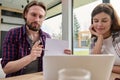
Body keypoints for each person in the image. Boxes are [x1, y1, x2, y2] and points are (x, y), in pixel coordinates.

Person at [1, 1, 70, 77]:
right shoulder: (13, 34)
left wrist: (63, 58)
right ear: (25, 14)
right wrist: (30, 57)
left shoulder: (47, 37)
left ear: (43, 19)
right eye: (33, 15)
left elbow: (51, 65)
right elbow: (6, 69)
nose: (37, 20)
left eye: (40, 16)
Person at [89, 3, 120, 74]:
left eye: (104, 21)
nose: (99, 25)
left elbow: (98, 65)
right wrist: (100, 37)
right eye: (96, 21)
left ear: (111, 21)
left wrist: (106, 66)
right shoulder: (94, 40)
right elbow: (94, 62)